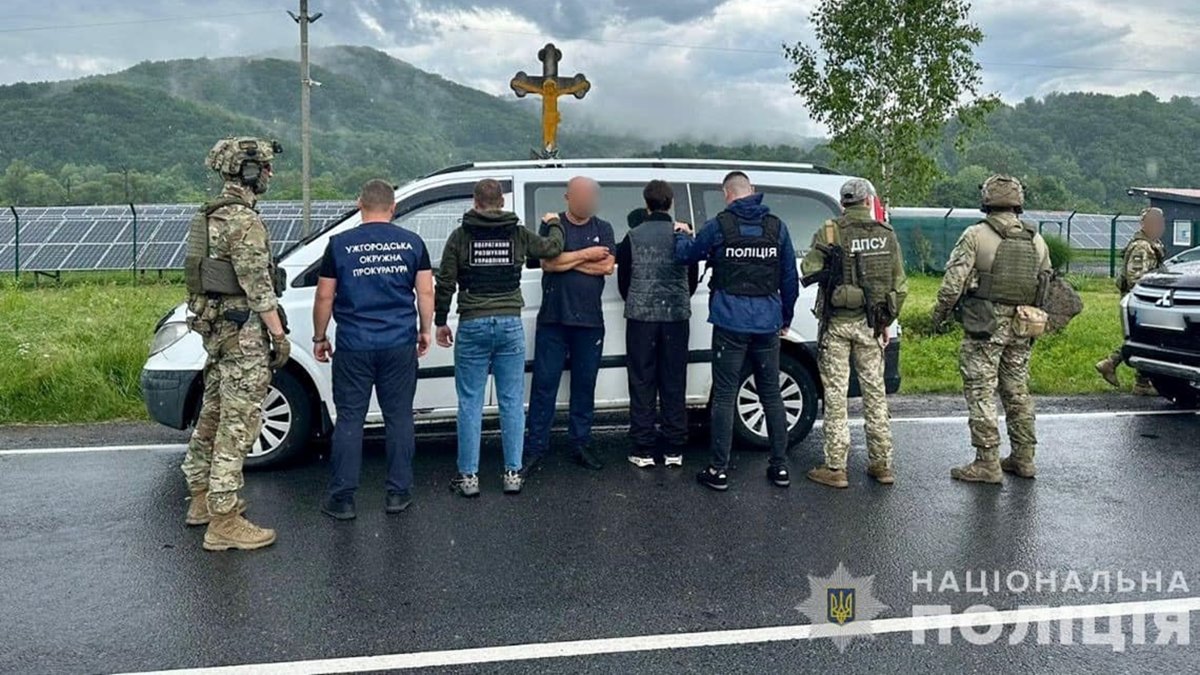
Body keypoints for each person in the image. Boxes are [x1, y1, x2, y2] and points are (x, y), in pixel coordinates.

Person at [180, 136, 287, 551]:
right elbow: (258, 288)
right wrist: (278, 335)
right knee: (239, 422)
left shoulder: (208, 215)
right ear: (249, 171)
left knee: (213, 412)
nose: (270, 174)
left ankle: (201, 496)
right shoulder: (244, 221)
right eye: (265, 167)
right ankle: (224, 519)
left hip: (218, 331)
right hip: (243, 336)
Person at [312, 179, 434, 520]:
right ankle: (398, 493)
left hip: (354, 345)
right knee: (399, 417)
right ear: (393, 207)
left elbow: (324, 295)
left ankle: (343, 499)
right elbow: (425, 292)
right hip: (398, 344)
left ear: (359, 205)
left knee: (351, 419)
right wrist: (424, 330)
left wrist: (320, 337)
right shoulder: (413, 242)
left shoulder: (339, 245)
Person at [435, 179, 565, 497]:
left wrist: (440, 321)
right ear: (502, 202)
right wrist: (555, 223)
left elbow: (446, 282)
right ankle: (512, 473)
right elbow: (552, 249)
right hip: (509, 323)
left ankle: (468, 477)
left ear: (475, 202)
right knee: (511, 401)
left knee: (470, 402)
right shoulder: (517, 234)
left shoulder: (460, 236)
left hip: (473, 322)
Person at [675, 171, 799, 491]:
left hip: (730, 321)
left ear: (726, 194)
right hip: (767, 322)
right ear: (752, 190)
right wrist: (785, 318)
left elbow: (686, 255)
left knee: (725, 395)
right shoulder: (777, 227)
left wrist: (682, 235)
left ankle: (718, 470)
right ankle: (780, 467)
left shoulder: (719, 226)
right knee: (770, 393)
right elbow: (789, 278)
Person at [931, 174, 1051, 483]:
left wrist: (939, 315)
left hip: (984, 325)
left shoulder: (975, 235)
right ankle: (1024, 458)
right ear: (1018, 201)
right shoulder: (1035, 239)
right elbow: (1046, 283)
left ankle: (987, 462)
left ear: (986, 200)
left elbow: (952, 285)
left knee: (981, 391)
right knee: (1017, 391)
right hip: (1023, 325)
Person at [801, 179, 907, 488]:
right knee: (875, 393)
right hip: (870, 324)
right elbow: (899, 285)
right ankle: (882, 464)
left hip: (836, 325)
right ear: (868, 201)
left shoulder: (830, 231)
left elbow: (808, 268)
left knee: (836, 395)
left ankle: (836, 467)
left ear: (843, 203)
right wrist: (885, 321)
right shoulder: (886, 234)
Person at [522, 177, 616, 473]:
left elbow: (607, 266)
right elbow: (548, 263)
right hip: (554, 320)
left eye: (592, 196)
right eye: (582, 195)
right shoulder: (553, 226)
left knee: (584, 386)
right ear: (567, 197)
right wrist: (587, 255)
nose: (588, 200)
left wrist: (568, 260)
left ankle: (580, 443)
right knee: (544, 386)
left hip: (590, 322)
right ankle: (536, 447)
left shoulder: (604, 228)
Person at [616, 180, 700, 468]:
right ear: (671, 202)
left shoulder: (632, 236)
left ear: (646, 204)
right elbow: (691, 279)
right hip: (676, 317)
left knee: (642, 381)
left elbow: (624, 282)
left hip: (641, 318)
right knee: (674, 380)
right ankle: (674, 448)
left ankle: (643, 448)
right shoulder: (682, 236)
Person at [1096, 207, 1166, 395]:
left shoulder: (1152, 244)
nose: (1159, 227)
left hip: (1148, 300)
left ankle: (1139, 380)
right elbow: (1135, 277)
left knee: (1146, 337)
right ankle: (1117, 367)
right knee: (1145, 338)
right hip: (1141, 300)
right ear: (1143, 224)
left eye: (1160, 222)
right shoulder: (1142, 247)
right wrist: (1148, 298)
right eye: (1153, 222)